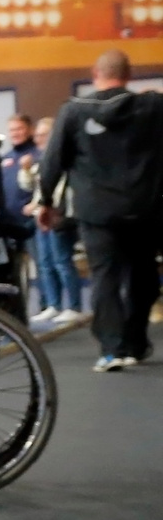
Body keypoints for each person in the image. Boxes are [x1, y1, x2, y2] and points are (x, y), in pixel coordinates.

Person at [40, 49, 163, 371]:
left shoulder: (74, 111)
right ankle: (135, 342)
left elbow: (52, 161)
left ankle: (111, 349)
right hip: (145, 209)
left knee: (105, 278)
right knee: (143, 277)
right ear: (129, 74)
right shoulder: (153, 107)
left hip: (97, 213)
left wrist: (44, 202)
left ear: (95, 73)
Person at [26, 113, 85, 325]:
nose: (38, 139)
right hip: (40, 215)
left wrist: (45, 205)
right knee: (45, 264)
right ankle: (53, 304)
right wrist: (26, 172)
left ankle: (75, 306)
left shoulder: (63, 159)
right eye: (37, 135)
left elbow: (59, 188)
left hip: (58, 217)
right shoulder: (39, 160)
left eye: (43, 134)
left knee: (62, 261)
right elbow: (31, 187)